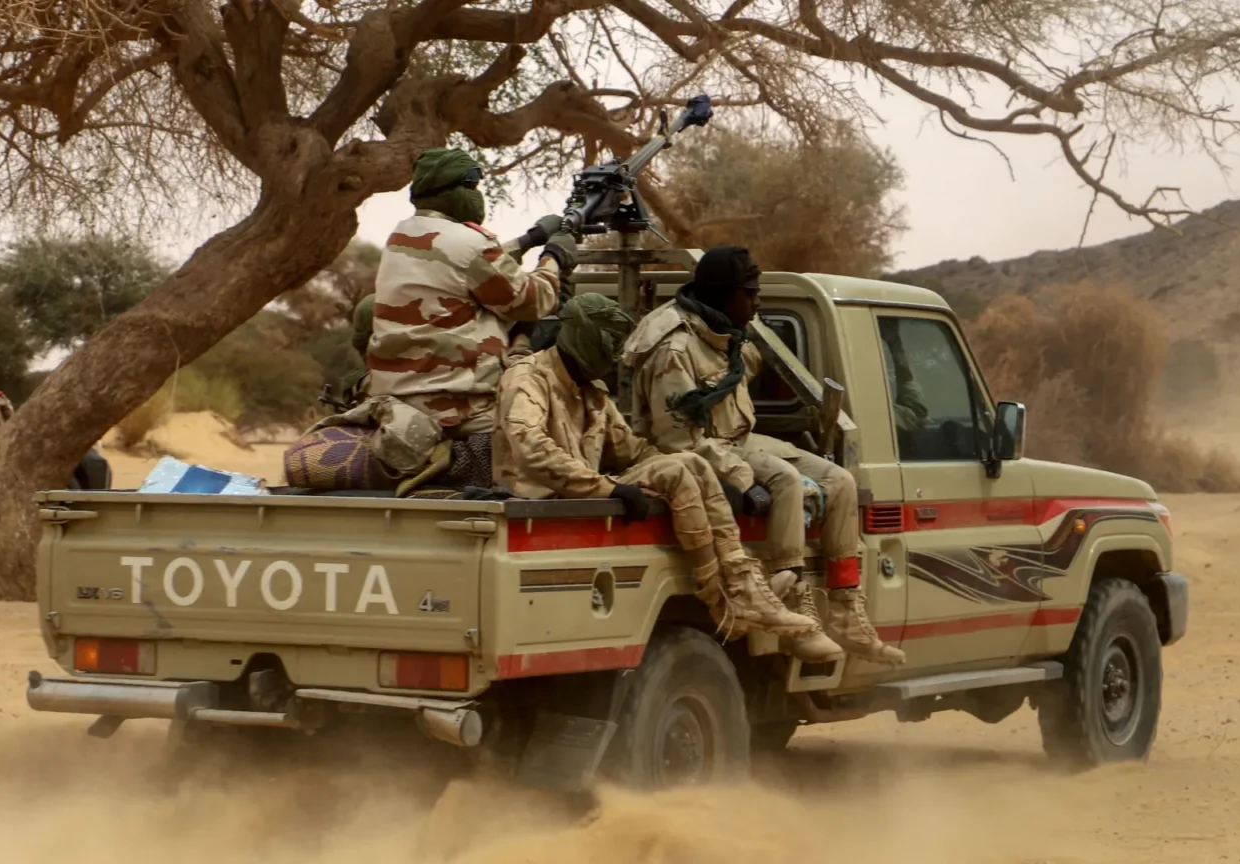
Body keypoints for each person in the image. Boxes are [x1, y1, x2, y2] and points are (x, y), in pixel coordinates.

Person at [494, 293, 841, 659]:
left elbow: (633, 450)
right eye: (610, 341)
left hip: (582, 490)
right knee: (677, 469)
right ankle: (720, 599)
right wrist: (608, 487)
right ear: (584, 336)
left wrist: (709, 484)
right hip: (543, 495)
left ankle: (742, 586)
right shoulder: (528, 378)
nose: (615, 354)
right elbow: (532, 449)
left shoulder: (591, 390)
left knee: (689, 463)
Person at [623, 246, 906, 665]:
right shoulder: (676, 349)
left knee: (840, 481)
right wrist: (742, 478)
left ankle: (846, 610)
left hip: (737, 438)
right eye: (749, 293)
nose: (757, 303)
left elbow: (739, 382)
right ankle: (793, 605)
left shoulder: (724, 335)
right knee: (786, 481)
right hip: (697, 449)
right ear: (722, 294)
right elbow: (677, 441)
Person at [367, 147, 574, 437]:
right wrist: (554, 256)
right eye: (472, 187)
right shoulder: (471, 243)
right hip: (460, 409)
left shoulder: (402, 236)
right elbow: (534, 300)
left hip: (398, 401)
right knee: (559, 425)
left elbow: (462, 263)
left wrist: (530, 239)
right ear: (451, 190)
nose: (478, 195)